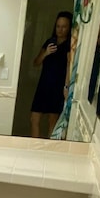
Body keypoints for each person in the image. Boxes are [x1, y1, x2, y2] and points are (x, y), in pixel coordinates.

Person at [30, 10, 73, 138]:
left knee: (52, 122)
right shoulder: (50, 41)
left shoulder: (70, 46)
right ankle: (34, 149)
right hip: (43, 85)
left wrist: (66, 87)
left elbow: (70, 67)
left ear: (69, 27)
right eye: (58, 26)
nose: (60, 29)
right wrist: (46, 53)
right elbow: (36, 62)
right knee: (34, 119)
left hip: (58, 88)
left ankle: (48, 151)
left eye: (64, 26)